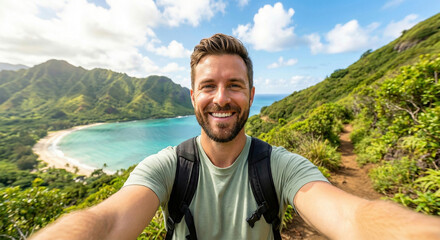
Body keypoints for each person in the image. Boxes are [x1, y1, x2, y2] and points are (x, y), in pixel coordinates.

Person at [31, 33, 440, 240]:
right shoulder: (166, 165)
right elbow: (106, 221)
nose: (221, 99)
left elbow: (352, 217)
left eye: (235, 86)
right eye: (208, 86)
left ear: (252, 95)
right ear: (193, 96)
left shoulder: (279, 166)